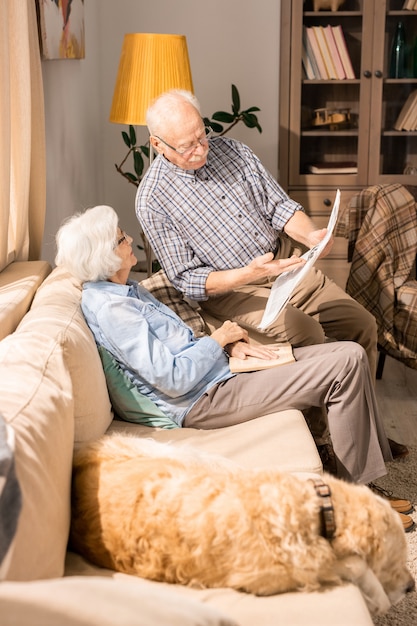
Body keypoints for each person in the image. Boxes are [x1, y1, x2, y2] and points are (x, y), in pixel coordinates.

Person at [55, 205, 414, 531]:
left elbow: (179, 347)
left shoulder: (127, 291)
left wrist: (230, 347)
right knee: (345, 363)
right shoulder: (112, 309)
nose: (130, 238)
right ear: (104, 256)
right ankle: (358, 502)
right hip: (203, 401)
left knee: (347, 351)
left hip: (220, 376)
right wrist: (218, 340)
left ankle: (360, 477)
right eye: (121, 238)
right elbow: (172, 378)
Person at [135, 89, 409, 462]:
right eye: (187, 146)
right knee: (309, 335)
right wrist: (247, 274)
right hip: (232, 291)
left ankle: (368, 431)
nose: (200, 149)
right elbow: (187, 279)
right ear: (157, 144)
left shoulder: (232, 151)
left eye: (202, 136)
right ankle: (319, 442)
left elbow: (279, 206)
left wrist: (310, 235)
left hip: (287, 266)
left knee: (362, 324)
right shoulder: (152, 200)